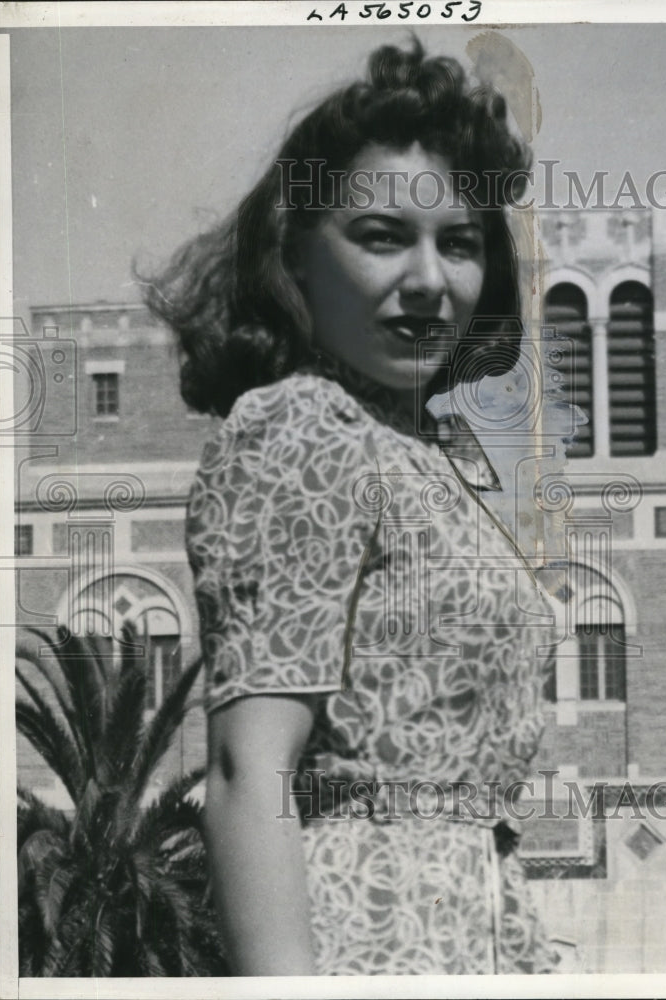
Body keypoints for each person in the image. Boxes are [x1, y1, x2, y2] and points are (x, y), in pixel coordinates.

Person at [143, 38, 571, 977]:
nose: (429, 281)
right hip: (364, 938)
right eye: (382, 237)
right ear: (295, 249)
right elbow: (246, 773)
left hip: (475, 933)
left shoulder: (420, 456)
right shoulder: (302, 426)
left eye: (458, 243)